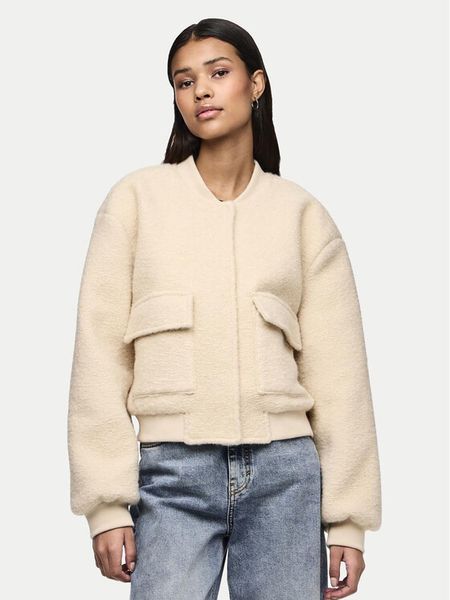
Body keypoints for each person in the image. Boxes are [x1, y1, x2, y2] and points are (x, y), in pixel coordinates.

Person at [67, 17, 382, 600]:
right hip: (169, 475)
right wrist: (105, 505)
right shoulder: (135, 202)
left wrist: (348, 520)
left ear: (256, 84)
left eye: (218, 73)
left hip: (287, 479)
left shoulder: (302, 216)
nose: (201, 91)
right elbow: (99, 358)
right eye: (184, 82)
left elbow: (340, 377)